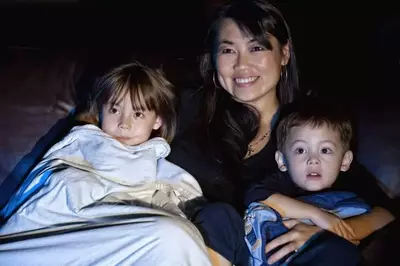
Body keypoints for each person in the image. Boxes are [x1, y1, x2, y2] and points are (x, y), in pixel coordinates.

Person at [168, 0, 397, 265]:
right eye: (228, 51)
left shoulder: (309, 128)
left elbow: (384, 207)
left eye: (256, 47)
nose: (242, 64)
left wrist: (335, 230)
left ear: (284, 54)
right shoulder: (187, 107)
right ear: (214, 59)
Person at [0, 62, 211, 266]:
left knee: (174, 237)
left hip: (120, 248)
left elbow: (192, 216)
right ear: (101, 111)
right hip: (55, 243)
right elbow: (43, 200)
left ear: (157, 121)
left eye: (138, 114)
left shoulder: (168, 173)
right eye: (114, 110)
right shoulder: (80, 144)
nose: (124, 124)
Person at [244, 99, 396, 265]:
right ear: (282, 160)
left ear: (345, 160)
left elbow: (387, 213)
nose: (313, 160)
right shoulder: (282, 180)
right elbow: (254, 194)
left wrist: (330, 232)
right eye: (301, 150)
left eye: (325, 150)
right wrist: (317, 215)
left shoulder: (352, 179)